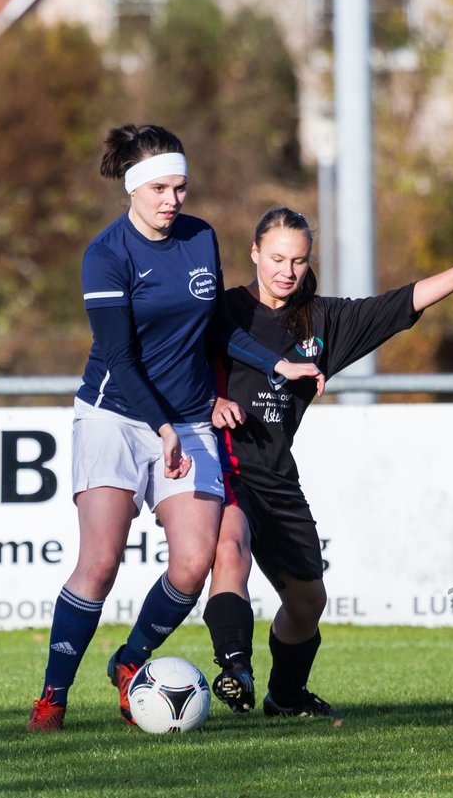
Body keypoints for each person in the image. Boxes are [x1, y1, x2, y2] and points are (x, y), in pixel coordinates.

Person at [26, 127, 324, 732]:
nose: (173, 200)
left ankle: (130, 664)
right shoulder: (106, 254)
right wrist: (160, 427)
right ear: (133, 187)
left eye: (180, 187)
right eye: (160, 188)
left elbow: (216, 327)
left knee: (192, 562)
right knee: (101, 562)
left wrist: (278, 362)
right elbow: (119, 357)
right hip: (115, 416)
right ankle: (52, 697)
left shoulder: (199, 238)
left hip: (188, 420)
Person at [203, 206, 453, 717]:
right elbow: (172, 365)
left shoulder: (322, 320)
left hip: (276, 474)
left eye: (297, 260)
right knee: (231, 549)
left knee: (308, 601)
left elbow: (399, 304)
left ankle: (286, 695)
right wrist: (208, 402)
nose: (286, 271)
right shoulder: (221, 311)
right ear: (254, 253)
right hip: (224, 464)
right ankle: (235, 668)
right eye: (276, 258)